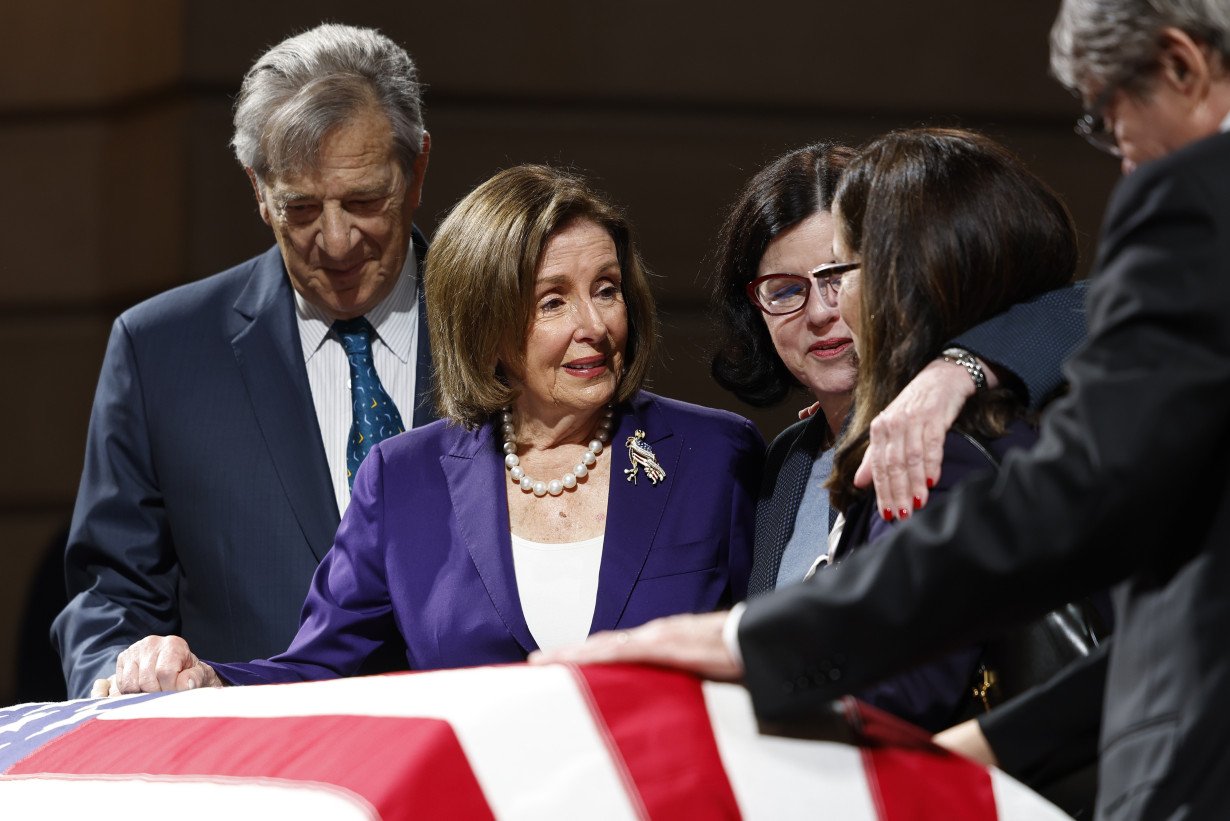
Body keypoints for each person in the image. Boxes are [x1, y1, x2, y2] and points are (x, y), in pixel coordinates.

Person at [536, 2, 1230, 817]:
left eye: (1113, 123)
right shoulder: (785, 462)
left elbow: (1058, 500)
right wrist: (989, 747)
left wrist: (745, 645)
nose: (831, 308)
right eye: (789, 290)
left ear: (1182, 65)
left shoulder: (943, 440)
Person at [99, 164, 763, 693]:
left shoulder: (714, 455)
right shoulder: (401, 480)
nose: (594, 323)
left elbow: (773, 649)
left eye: (608, 288)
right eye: (552, 299)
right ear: (486, 323)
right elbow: (315, 673)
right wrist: (204, 676)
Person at [52, 24, 437, 700]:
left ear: (418, 172)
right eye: (302, 208)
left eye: (365, 200)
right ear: (258, 190)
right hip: (263, 774)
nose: (338, 240)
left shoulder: (506, 327)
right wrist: (131, 669)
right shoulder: (160, 352)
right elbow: (109, 594)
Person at [710, 144, 1085, 595]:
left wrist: (958, 367)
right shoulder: (787, 458)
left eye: (839, 274)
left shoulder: (947, 426)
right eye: (786, 289)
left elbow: (1098, 304)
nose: (820, 312)